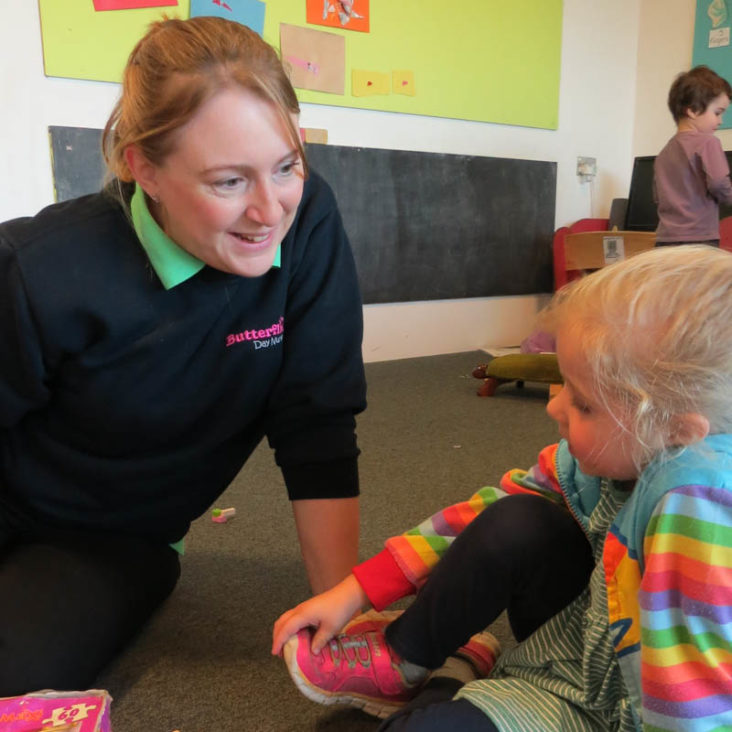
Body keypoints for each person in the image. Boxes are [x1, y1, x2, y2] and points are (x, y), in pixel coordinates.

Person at [0, 16, 366, 695]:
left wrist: (341, 614)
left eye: (286, 166)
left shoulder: (307, 219)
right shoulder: (41, 270)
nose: (269, 212)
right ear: (144, 168)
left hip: (111, 538)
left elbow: (317, 419)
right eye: (229, 182)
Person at [273, 245, 732, 731]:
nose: (554, 410)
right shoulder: (615, 457)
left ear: (675, 430)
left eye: (583, 405)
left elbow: (695, 701)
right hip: (579, 664)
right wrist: (354, 593)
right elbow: (477, 520)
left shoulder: (697, 512)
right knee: (517, 517)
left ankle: (453, 677)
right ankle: (414, 659)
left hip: (634, 713)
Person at [654, 65, 732, 246]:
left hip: (665, 239)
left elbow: (658, 196)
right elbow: (718, 182)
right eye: (717, 113)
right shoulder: (708, 142)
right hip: (699, 238)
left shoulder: (664, 152)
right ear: (692, 110)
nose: (720, 121)